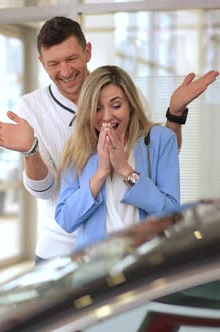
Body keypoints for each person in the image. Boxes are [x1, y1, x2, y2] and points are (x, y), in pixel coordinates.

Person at [0, 16, 218, 262]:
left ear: (87, 51)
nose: (66, 71)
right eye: (54, 63)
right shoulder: (61, 132)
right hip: (65, 251)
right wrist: (31, 150)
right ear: (42, 63)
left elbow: (161, 156)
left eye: (71, 58)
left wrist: (173, 117)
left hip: (141, 260)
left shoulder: (128, 100)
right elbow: (46, 191)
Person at [55, 65, 180, 249]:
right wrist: (101, 172)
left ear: (130, 104)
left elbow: (172, 214)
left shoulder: (159, 140)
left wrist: (125, 170)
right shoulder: (78, 148)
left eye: (116, 105)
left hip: (146, 261)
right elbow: (65, 219)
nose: (106, 116)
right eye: (97, 108)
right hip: (95, 265)